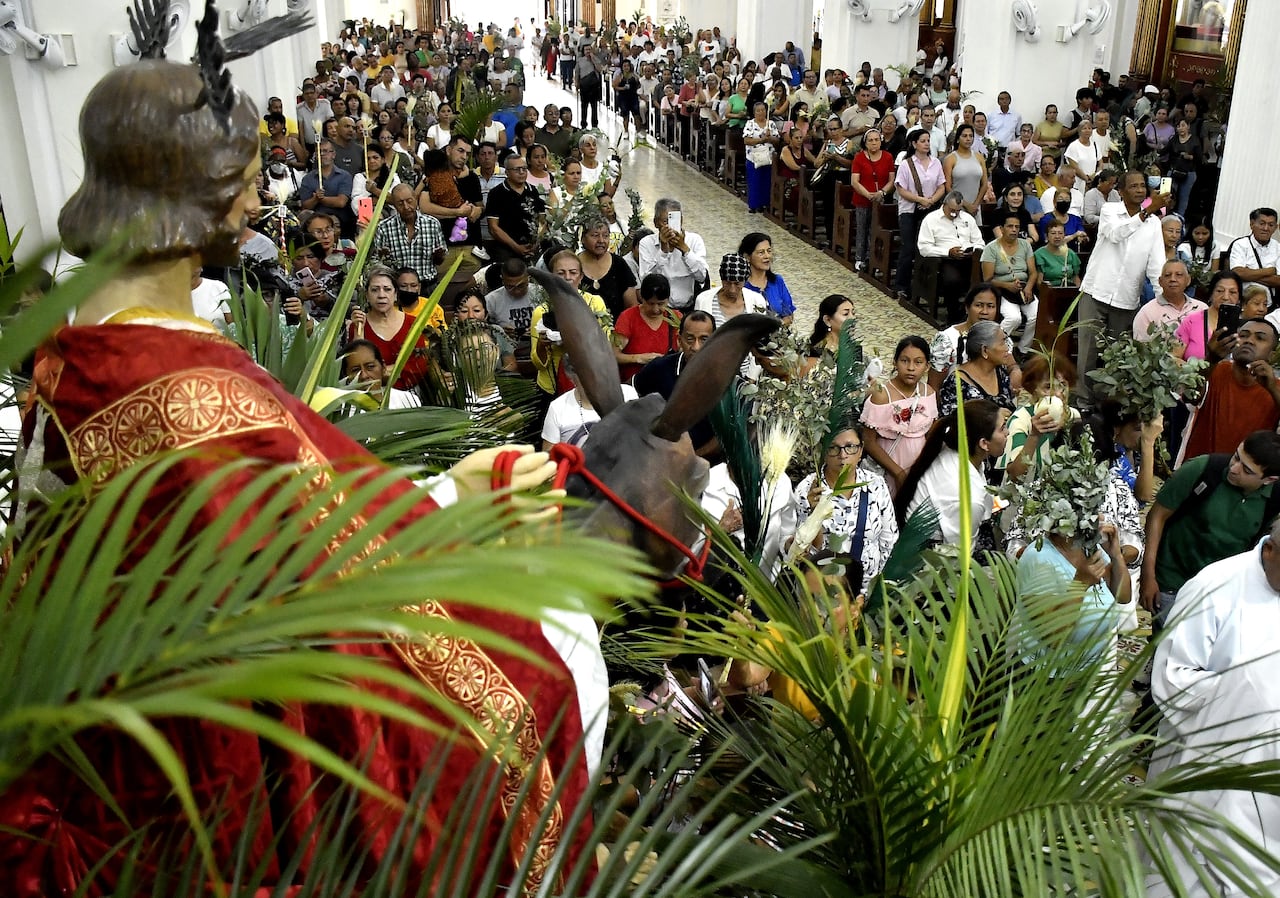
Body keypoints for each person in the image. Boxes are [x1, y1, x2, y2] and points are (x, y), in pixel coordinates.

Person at [23, 48, 594, 895]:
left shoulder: (90, 345)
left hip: (108, 687)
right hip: (213, 723)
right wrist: (454, 506)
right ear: (198, 186)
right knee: (532, 681)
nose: (258, 199)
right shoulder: (192, 397)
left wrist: (434, 492)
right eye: (247, 178)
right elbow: (327, 555)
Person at [1145, 517, 1280, 898]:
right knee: (1178, 873)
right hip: (1197, 759)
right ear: (1269, 549)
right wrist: (1250, 692)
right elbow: (1172, 681)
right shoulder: (1215, 586)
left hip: (1265, 780)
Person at [1141, 431, 1280, 621]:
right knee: (1166, 645)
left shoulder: (1275, 499)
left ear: (1269, 480)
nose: (1234, 468)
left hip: (1220, 592)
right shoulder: (1203, 469)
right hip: (1172, 580)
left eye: (1247, 470)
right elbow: (1157, 516)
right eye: (1236, 457)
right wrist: (1148, 575)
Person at [1076, 170, 1171, 404]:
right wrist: (1147, 210)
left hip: (1126, 298)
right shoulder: (1110, 211)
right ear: (1121, 191)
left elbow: (1157, 266)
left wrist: (1163, 303)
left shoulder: (1153, 225)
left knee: (1118, 355)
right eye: (1134, 186)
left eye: (1142, 186)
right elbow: (1116, 234)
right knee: (1088, 352)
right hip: (1096, 290)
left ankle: (1108, 405)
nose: (1140, 190)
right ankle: (1083, 401)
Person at [896, 399, 1011, 553]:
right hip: (926, 556)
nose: (1007, 432)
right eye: (1002, 428)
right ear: (984, 443)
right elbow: (957, 557)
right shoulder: (970, 497)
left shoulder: (956, 451)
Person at [792, 427, 899, 582]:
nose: (842, 455)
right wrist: (815, 514)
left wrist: (877, 585)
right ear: (824, 451)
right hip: (823, 590)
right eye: (834, 448)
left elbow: (888, 539)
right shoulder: (808, 489)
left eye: (850, 447)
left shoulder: (875, 484)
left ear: (861, 450)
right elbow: (803, 553)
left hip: (866, 588)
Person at [1182, 318, 1280, 460]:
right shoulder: (1215, 369)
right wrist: (1211, 358)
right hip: (1200, 470)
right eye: (1243, 335)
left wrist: (1272, 389)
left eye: (1259, 338)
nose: (1249, 341)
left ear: (1272, 354)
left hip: (1244, 477)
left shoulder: (1275, 387)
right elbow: (1190, 396)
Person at [632, 311, 720, 456]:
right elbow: (631, 394)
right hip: (657, 458)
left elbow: (726, 435)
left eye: (704, 339)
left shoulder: (727, 377)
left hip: (706, 465)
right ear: (679, 340)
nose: (696, 347)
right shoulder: (659, 368)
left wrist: (691, 460)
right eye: (690, 339)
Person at [860, 336, 939, 493]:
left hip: (918, 468)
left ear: (927, 366)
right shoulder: (882, 395)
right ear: (894, 362)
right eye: (904, 361)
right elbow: (868, 441)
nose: (911, 368)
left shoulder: (928, 393)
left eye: (918, 362)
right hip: (888, 467)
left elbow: (931, 432)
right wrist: (898, 473)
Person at [894, 128, 947, 302]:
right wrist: (919, 199)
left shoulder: (936, 163)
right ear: (914, 143)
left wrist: (931, 201)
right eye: (923, 141)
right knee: (908, 248)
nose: (926, 144)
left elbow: (942, 186)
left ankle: (924, 286)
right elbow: (900, 188)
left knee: (927, 249)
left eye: (928, 140)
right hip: (909, 210)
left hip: (930, 210)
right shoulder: (906, 163)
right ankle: (902, 286)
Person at [917, 190, 985, 317]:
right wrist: (947, 252)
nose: (955, 214)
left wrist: (974, 250)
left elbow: (980, 242)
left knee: (986, 274)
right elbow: (924, 248)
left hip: (970, 258)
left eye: (958, 210)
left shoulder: (967, 218)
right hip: (944, 259)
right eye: (952, 210)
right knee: (952, 280)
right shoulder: (931, 219)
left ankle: (977, 311)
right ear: (944, 204)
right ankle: (954, 313)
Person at [928, 283, 1010, 388]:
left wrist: (1015, 371)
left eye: (990, 306)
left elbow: (1010, 363)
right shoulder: (946, 340)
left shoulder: (999, 333)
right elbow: (934, 386)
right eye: (979, 305)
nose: (984, 312)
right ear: (967, 308)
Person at [981, 210, 1040, 354]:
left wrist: (1029, 288)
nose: (1014, 230)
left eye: (1017, 227)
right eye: (1010, 226)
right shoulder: (991, 248)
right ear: (1001, 229)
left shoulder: (1025, 245)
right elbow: (987, 279)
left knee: (1036, 316)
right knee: (1014, 318)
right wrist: (1007, 285)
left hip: (1024, 288)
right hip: (1002, 289)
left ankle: (1023, 349)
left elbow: (1033, 272)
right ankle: (994, 347)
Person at [637, 198, 709, 312]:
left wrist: (684, 249)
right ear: (656, 223)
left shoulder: (695, 240)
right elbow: (646, 281)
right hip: (660, 309)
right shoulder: (646, 243)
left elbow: (702, 277)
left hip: (689, 307)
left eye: (674, 221)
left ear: (681, 220)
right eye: (665, 222)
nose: (670, 227)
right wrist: (663, 251)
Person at [937, 320, 1016, 416]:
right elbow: (952, 423)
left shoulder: (1001, 372)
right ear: (984, 350)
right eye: (1002, 343)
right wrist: (994, 417)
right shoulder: (956, 383)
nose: (1007, 348)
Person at [373, 183, 447, 285]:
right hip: (398, 288)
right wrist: (382, 257)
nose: (406, 207)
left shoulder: (432, 224)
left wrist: (438, 256)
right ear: (394, 205)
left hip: (427, 286)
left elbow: (440, 261)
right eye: (400, 203)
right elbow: (377, 263)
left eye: (409, 201)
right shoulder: (384, 227)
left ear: (415, 199)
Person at [613, 273, 680, 382]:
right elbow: (614, 355)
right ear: (642, 298)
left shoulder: (675, 318)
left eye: (661, 304)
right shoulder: (628, 318)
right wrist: (639, 358)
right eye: (650, 304)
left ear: (668, 300)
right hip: (635, 382)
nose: (655, 309)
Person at [484, 153, 546, 264]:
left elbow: (542, 220)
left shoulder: (533, 191)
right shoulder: (496, 193)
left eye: (524, 169)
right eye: (517, 169)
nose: (522, 172)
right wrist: (516, 246)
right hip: (505, 248)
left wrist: (537, 242)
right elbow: (493, 227)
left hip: (532, 247)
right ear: (507, 172)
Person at [850, 127, 894, 272]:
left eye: (876, 140)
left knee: (875, 230)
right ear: (865, 142)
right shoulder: (859, 157)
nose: (874, 143)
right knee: (862, 229)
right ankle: (859, 258)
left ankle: (874, 258)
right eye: (871, 140)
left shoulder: (887, 157)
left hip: (880, 199)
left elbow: (891, 180)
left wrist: (882, 192)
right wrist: (867, 194)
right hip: (862, 199)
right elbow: (855, 181)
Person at [578, 217, 639, 319]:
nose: (601, 240)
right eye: (595, 235)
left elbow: (632, 306)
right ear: (583, 238)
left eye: (605, 236)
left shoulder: (619, 264)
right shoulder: (574, 265)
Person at [1133, 260, 1206, 340]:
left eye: (1179, 275)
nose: (1173, 279)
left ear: (1188, 280)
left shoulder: (1202, 309)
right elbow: (1142, 349)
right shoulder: (1146, 313)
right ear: (1160, 281)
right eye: (1167, 275)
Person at [343, 338, 422, 408]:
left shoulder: (408, 401)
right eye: (356, 370)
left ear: (383, 368)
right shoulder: (341, 413)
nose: (364, 376)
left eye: (370, 367)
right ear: (346, 375)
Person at [695, 252, 768, 327]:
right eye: (727, 283)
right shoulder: (703, 300)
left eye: (737, 284)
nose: (732, 290)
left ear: (745, 281)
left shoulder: (757, 301)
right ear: (722, 280)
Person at [1228, 207, 1280, 307]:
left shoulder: (1278, 248)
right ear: (1252, 224)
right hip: (1242, 303)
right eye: (1262, 223)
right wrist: (1269, 271)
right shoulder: (1240, 244)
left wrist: (1248, 273)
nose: (1266, 228)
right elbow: (1237, 273)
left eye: (1270, 225)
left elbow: (1278, 281)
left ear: (1275, 227)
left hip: (1268, 305)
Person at [739, 232, 794, 324]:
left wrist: (778, 327)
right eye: (761, 253)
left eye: (769, 251)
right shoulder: (741, 286)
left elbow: (789, 314)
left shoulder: (777, 281)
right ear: (747, 257)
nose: (767, 256)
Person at [942, 124, 990, 217]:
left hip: (975, 208)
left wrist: (975, 205)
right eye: (964, 136)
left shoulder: (979, 157)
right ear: (958, 138)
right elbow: (948, 187)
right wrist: (966, 205)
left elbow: (984, 184)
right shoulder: (950, 159)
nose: (968, 139)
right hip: (956, 206)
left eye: (971, 136)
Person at [1161, 117, 1202, 219]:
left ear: (1188, 127)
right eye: (1178, 126)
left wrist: (1190, 157)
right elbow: (1163, 151)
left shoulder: (1195, 140)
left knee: (1183, 197)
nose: (1180, 128)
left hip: (1189, 172)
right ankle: (1165, 216)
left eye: (1183, 125)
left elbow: (1200, 158)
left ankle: (1179, 219)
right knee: (1167, 194)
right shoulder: (1174, 139)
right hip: (1174, 170)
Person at [743, 101, 780, 213]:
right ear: (754, 112)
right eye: (758, 110)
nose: (761, 112)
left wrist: (770, 138)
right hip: (753, 157)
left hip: (768, 157)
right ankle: (754, 205)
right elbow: (746, 140)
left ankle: (766, 204)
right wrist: (761, 140)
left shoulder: (771, 124)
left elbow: (777, 140)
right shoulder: (750, 124)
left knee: (767, 181)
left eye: (763, 110)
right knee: (755, 181)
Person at [1033, 220, 1082, 288]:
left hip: (1069, 290)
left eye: (1060, 233)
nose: (1057, 236)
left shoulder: (1070, 253)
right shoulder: (1039, 254)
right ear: (1046, 236)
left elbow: (1076, 278)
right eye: (1053, 233)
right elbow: (1039, 282)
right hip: (1050, 292)